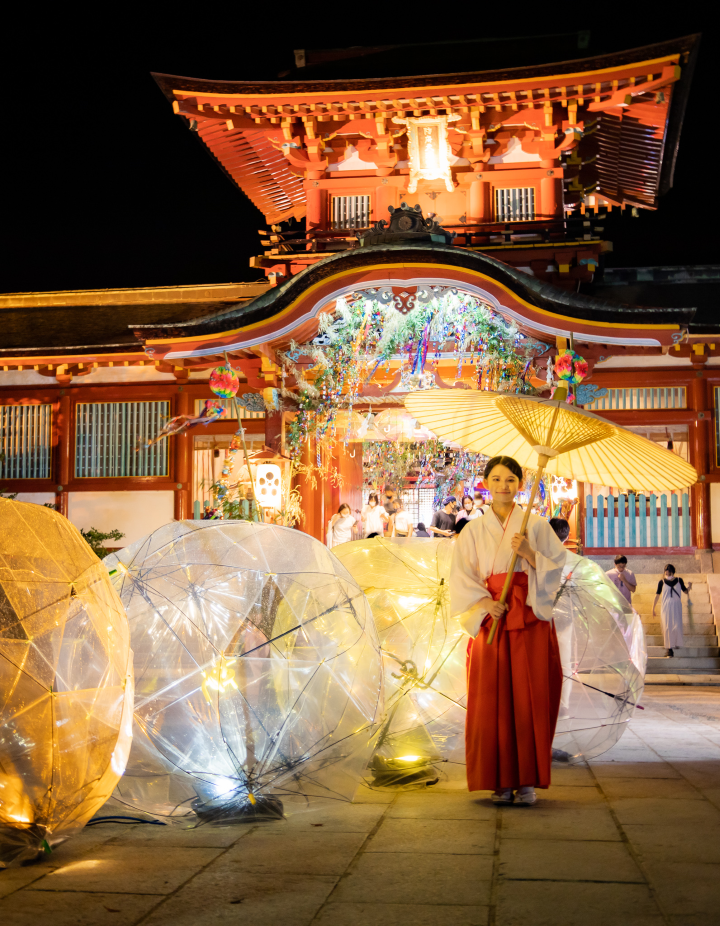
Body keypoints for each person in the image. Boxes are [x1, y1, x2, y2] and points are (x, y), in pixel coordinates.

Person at [451, 455, 566, 806]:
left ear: (521, 483)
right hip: (493, 615)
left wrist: (531, 553)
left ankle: (527, 780)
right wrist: (485, 604)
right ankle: (498, 780)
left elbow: (557, 564)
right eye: (497, 479)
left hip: (529, 613)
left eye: (511, 480)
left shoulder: (535, 523)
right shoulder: (472, 529)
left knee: (529, 697)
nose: (504, 486)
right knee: (491, 696)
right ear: (485, 483)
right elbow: (461, 575)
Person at [653, 564, 692, 657]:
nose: (667, 572)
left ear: (673, 571)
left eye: (669, 570)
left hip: (676, 605)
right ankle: (669, 649)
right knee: (667, 626)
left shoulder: (679, 580)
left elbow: (685, 591)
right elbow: (657, 595)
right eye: (666, 570)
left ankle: (676, 642)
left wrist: (689, 586)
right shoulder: (661, 582)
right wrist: (653, 608)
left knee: (677, 625)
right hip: (666, 606)